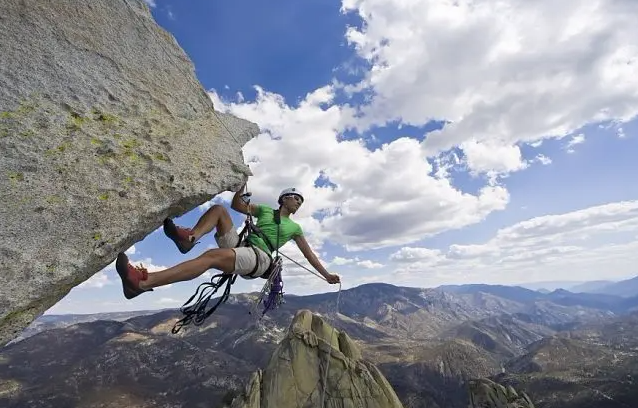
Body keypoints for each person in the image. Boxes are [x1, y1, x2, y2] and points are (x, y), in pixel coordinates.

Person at [115, 184, 341, 299]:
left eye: (301, 200)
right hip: (243, 246)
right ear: (284, 199)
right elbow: (236, 206)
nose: (299, 202)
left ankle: (143, 283)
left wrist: (326, 275)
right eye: (296, 197)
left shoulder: (295, 228)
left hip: (260, 258)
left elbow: (309, 254)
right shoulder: (263, 210)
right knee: (219, 210)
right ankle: (190, 239)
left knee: (211, 257)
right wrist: (241, 186)